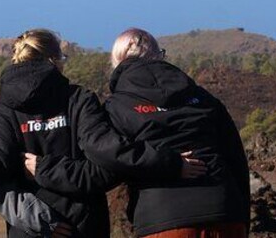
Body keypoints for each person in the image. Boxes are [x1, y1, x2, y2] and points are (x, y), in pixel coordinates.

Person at [0, 28, 205, 238]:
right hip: (84, 227)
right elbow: (105, 169)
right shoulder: (79, 100)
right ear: (54, 60)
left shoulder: (6, 110)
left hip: (28, 230)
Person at [104, 28, 250, 238]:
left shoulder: (116, 107)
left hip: (164, 219)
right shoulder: (204, 98)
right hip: (226, 212)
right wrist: (242, 218)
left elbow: (110, 157)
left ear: (117, 62)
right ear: (159, 55)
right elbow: (236, 161)